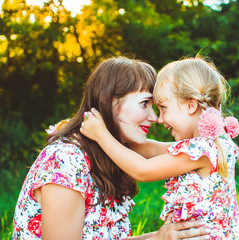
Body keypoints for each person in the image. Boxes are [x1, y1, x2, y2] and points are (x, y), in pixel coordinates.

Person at [12, 56, 211, 240]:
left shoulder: (108, 151)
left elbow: (176, 151)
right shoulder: (65, 160)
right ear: (111, 103)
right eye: (144, 104)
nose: (155, 118)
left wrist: (160, 237)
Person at [80, 56, 239, 239]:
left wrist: (101, 135)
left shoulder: (201, 152)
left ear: (190, 105)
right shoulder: (211, 144)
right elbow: (152, 149)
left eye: (163, 108)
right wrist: (116, 133)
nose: (159, 119)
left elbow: (142, 170)